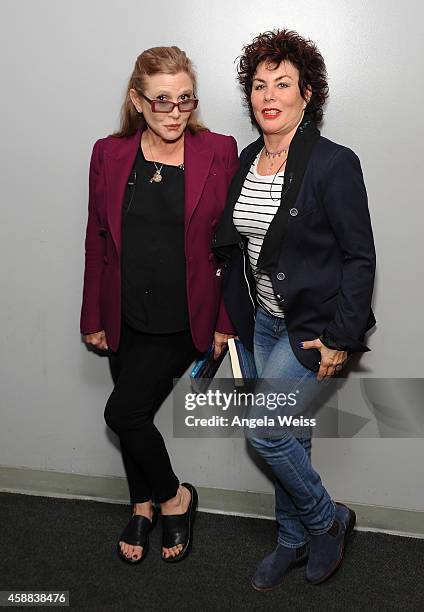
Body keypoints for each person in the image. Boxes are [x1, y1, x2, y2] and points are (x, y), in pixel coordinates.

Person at [213, 29, 376, 589]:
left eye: (283, 83)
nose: (269, 94)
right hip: (262, 320)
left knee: (264, 430)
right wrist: (227, 321)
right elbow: (237, 248)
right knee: (292, 433)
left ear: (308, 94)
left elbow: (360, 257)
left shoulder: (333, 163)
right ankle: (293, 539)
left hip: (310, 329)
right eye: (259, 85)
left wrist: (342, 336)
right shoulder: (246, 159)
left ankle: (327, 520)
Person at [80, 46, 238, 564]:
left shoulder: (220, 151)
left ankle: (175, 498)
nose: (175, 112)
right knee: (136, 413)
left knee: (123, 412)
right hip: (123, 312)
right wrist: (93, 316)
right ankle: (141, 506)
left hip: (182, 316)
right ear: (137, 100)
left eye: (185, 99)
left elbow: (234, 248)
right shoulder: (109, 153)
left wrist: (224, 321)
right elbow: (98, 239)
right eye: (162, 100)